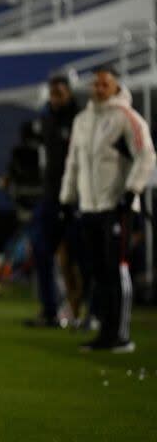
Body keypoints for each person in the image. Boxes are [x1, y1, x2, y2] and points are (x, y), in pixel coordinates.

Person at [59, 66, 156, 353]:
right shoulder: (82, 120)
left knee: (116, 269)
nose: (99, 89)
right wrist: (67, 199)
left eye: (105, 84)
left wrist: (132, 190)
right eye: (96, 84)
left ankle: (121, 335)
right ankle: (105, 332)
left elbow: (147, 155)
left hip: (117, 207)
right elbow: (73, 164)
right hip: (90, 207)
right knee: (98, 271)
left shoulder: (127, 117)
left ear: (115, 87)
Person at [24, 75, 81, 329]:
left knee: (81, 258)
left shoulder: (81, 118)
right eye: (52, 92)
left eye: (59, 91)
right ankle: (50, 309)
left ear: (69, 92)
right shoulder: (45, 119)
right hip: (50, 196)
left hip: (79, 197)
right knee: (41, 249)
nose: (55, 96)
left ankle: (85, 311)